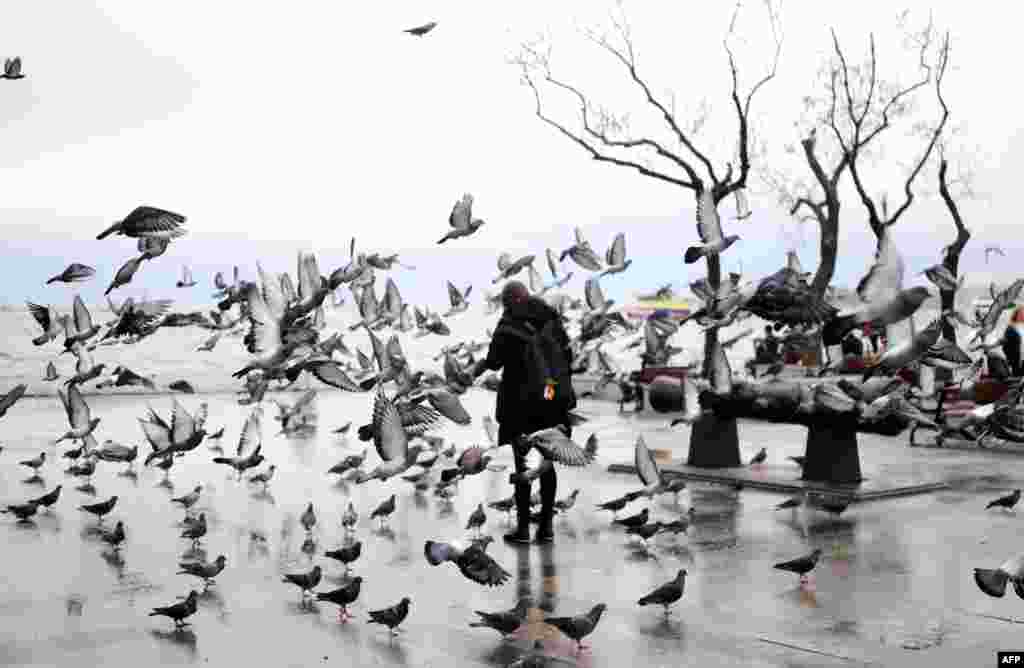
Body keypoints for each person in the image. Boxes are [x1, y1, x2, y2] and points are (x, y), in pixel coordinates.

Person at [472, 281, 575, 545]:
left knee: (524, 463)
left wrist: (473, 370)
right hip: (551, 399)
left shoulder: (510, 323)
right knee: (547, 462)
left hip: (521, 405)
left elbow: (494, 360)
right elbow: (568, 356)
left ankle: (522, 530)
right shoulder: (550, 318)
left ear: (508, 302)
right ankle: (547, 527)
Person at [1002, 306, 1024, 378]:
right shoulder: (1010, 328)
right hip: (1016, 361)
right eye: (1022, 313)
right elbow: (1005, 346)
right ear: (1016, 314)